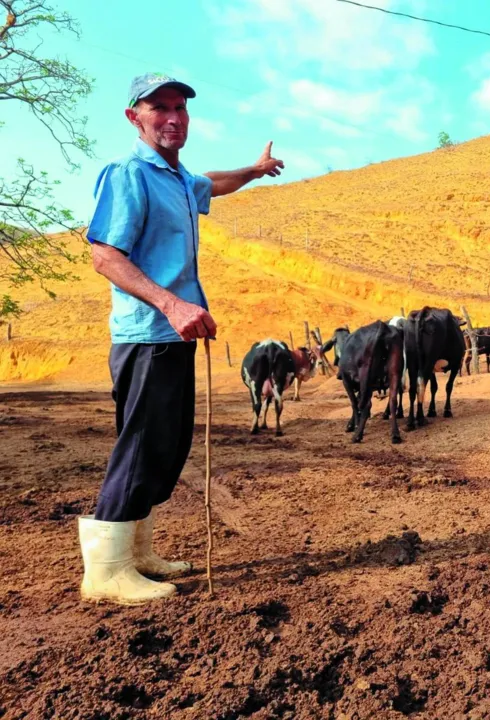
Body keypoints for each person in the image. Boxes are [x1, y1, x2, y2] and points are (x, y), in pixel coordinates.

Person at [81, 73, 284, 605]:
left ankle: (136, 553)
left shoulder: (176, 177)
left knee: (166, 447)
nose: (174, 117)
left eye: (181, 109)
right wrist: (171, 303)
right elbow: (105, 255)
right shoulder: (128, 175)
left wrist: (256, 171)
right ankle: (105, 572)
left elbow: (212, 183)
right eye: (160, 108)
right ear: (134, 117)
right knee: (143, 445)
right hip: (147, 335)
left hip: (173, 336)